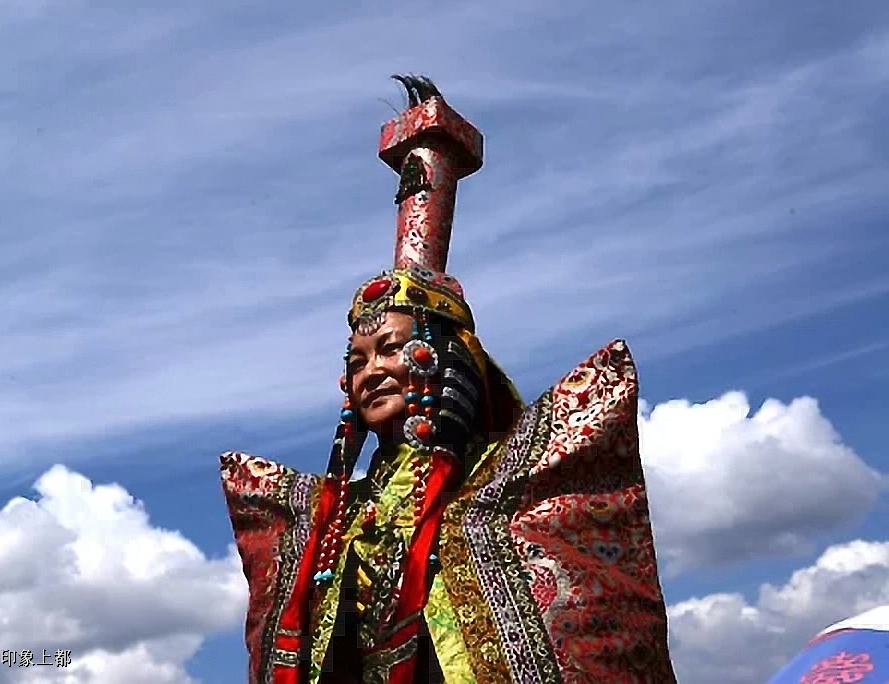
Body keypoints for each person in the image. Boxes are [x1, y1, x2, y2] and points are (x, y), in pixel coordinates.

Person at [220, 75, 676, 683]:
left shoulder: (510, 497)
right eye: (357, 360)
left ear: (447, 362)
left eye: (390, 349)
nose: (371, 371)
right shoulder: (331, 525)